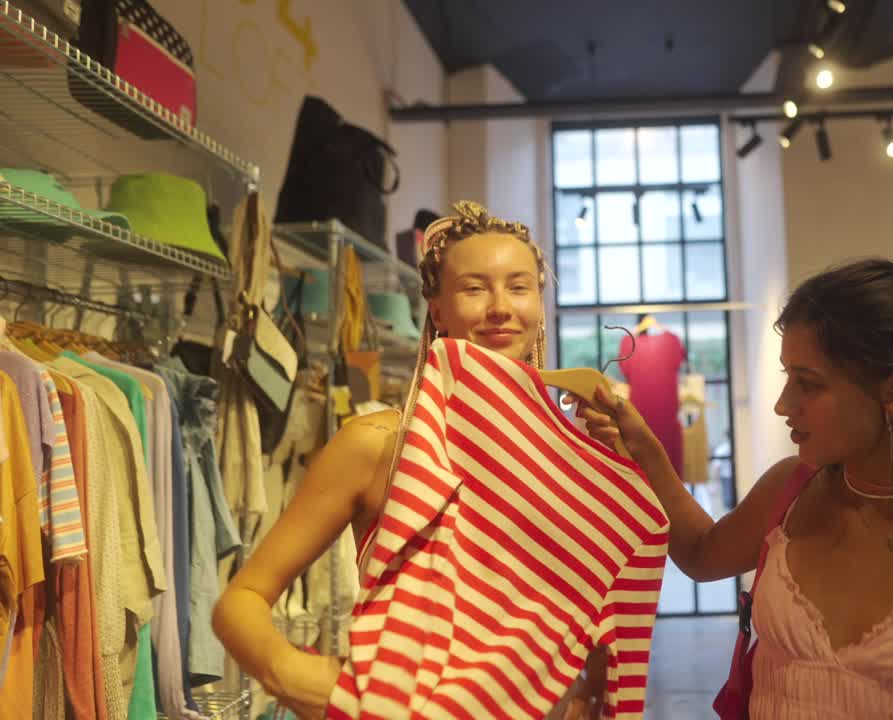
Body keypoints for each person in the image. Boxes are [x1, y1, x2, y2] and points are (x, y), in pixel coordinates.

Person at [580, 259, 893, 718]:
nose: (781, 404)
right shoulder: (791, 489)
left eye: (807, 383)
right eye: (786, 377)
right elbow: (702, 554)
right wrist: (644, 449)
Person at [213, 201, 606, 720]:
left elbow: (602, 617)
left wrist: (586, 696)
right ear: (438, 308)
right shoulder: (378, 445)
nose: (499, 307)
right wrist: (316, 687)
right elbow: (240, 601)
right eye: (473, 287)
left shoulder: (569, 454)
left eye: (518, 286)